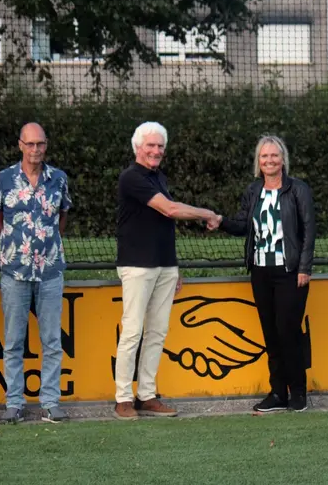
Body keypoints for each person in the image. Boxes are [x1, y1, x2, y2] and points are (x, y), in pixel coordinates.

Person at [114, 122, 220, 420]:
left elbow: (164, 224)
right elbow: (170, 210)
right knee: (133, 331)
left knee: (157, 332)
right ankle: (122, 398)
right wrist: (207, 214)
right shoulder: (131, 178)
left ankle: (147, 395)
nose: (156, 151)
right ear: (138, 148)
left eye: (160, 146)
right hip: (137, 266)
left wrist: (175, 268)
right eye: (151, 145)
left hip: (165, 267)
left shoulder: (158, 177)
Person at [211, 135, 315, 413]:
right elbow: (243, 225)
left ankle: (299, 392)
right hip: (260, 272)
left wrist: (304, 268)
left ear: (283, 160)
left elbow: (308, 231)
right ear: (259, 162)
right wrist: (220, 221)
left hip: (290, 272)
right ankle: (278, 393)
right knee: (270, 333)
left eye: (274, 155)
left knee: (287, 331)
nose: (269, 160)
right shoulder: (253, 191)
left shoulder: (298, 190)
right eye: (264, 156)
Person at [0, 122, 72, 424]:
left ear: (46, 145)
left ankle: (50, 402)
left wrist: (47, 242)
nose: (35, 150)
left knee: (51, 340)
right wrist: (12, 241)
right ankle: (14, 403)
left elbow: (62, 216)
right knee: (13, 341)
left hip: (50, 270)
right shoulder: (4, 179)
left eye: (40, 144)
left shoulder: (59, 179)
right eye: (30, 144)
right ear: (20, 145)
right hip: (14, 271)